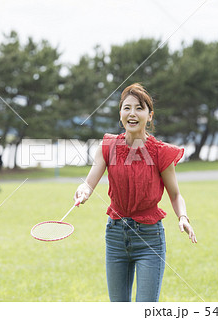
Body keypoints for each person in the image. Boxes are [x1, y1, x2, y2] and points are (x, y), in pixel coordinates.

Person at [74, 83, 197, 302]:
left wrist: (183, 217)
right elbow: (89, 182)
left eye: (139, 108)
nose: (132, 113)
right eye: (127, 108)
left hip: (150, 238)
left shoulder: (161, 152)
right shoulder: (108, 147)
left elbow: (175, 194)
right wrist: (83, 191)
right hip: (115, 236)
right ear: (120, 113)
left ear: (150, 116)